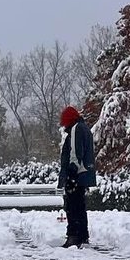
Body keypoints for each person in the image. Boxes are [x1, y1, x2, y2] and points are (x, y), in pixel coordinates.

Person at [58, 105, 96, 248]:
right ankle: (82, 235)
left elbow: (75, 153)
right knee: (80, 206)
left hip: (77, 175)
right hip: (84, 174)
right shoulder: (84, 128)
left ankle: (73, 236)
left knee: (72, 206)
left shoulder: (76, 129)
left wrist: (71, 174)